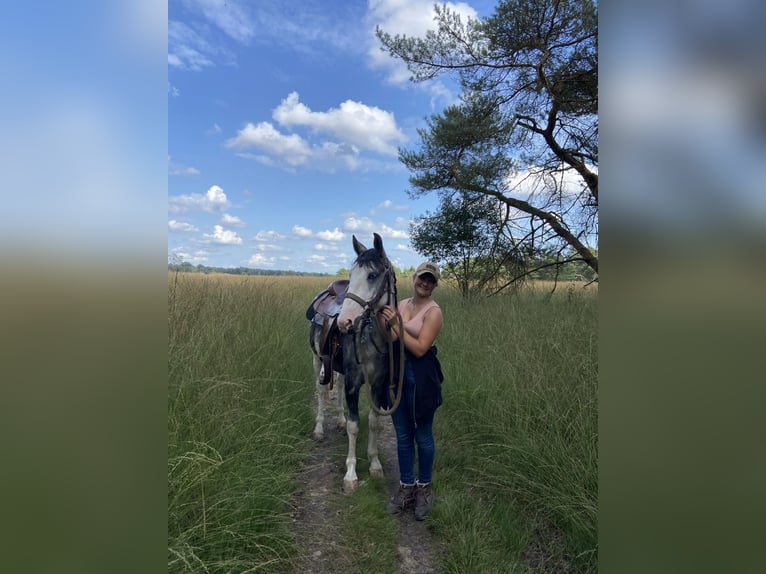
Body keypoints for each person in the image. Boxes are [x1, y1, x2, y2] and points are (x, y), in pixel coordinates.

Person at [378, 261, 445, 520]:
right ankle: (406, 486)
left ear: (435, 285)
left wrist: (396, 325)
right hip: (397, 375)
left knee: (423, 435)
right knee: (403, 434)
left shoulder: (433, 312)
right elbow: (391, 338)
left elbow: (419, 348)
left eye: (431, 280)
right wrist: (384, 323)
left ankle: (424, 487)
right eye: (422, 278)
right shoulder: (402, 304)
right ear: (414, 277)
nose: (425, 283)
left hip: (421, 377)